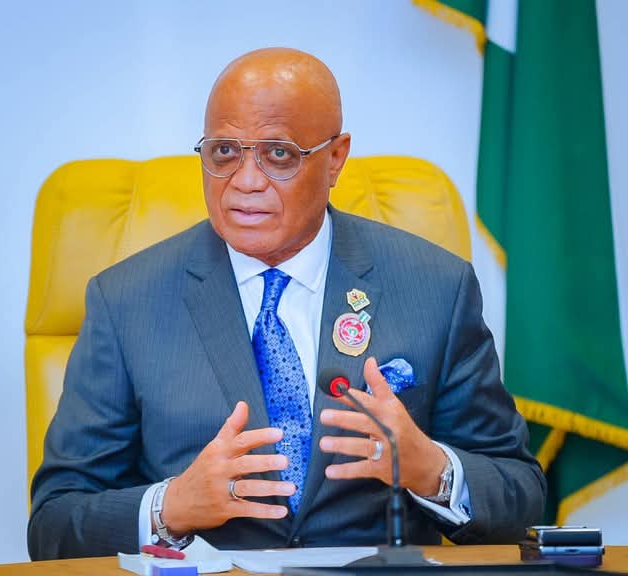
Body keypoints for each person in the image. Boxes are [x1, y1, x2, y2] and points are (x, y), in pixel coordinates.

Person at [28, 47, 545, 560]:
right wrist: (172, 507)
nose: (246, 181)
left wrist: (431, 469)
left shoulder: (435, 287)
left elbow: (521, 494)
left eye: (278, 154)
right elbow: (54, 524)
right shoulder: (126, 301)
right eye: (224, 152)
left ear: (335, 158)